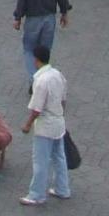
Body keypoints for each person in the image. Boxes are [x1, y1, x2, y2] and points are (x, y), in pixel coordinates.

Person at [19, 44, 71, 206]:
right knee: (59, 157)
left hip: (45, 126)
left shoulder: (41, 81)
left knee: (40, 161)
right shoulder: (57, 74)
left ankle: (36, 194)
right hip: (59, 122)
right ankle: (63, 189)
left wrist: (27, 125)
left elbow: (37, 108)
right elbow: (63, 99)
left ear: (36, 60)